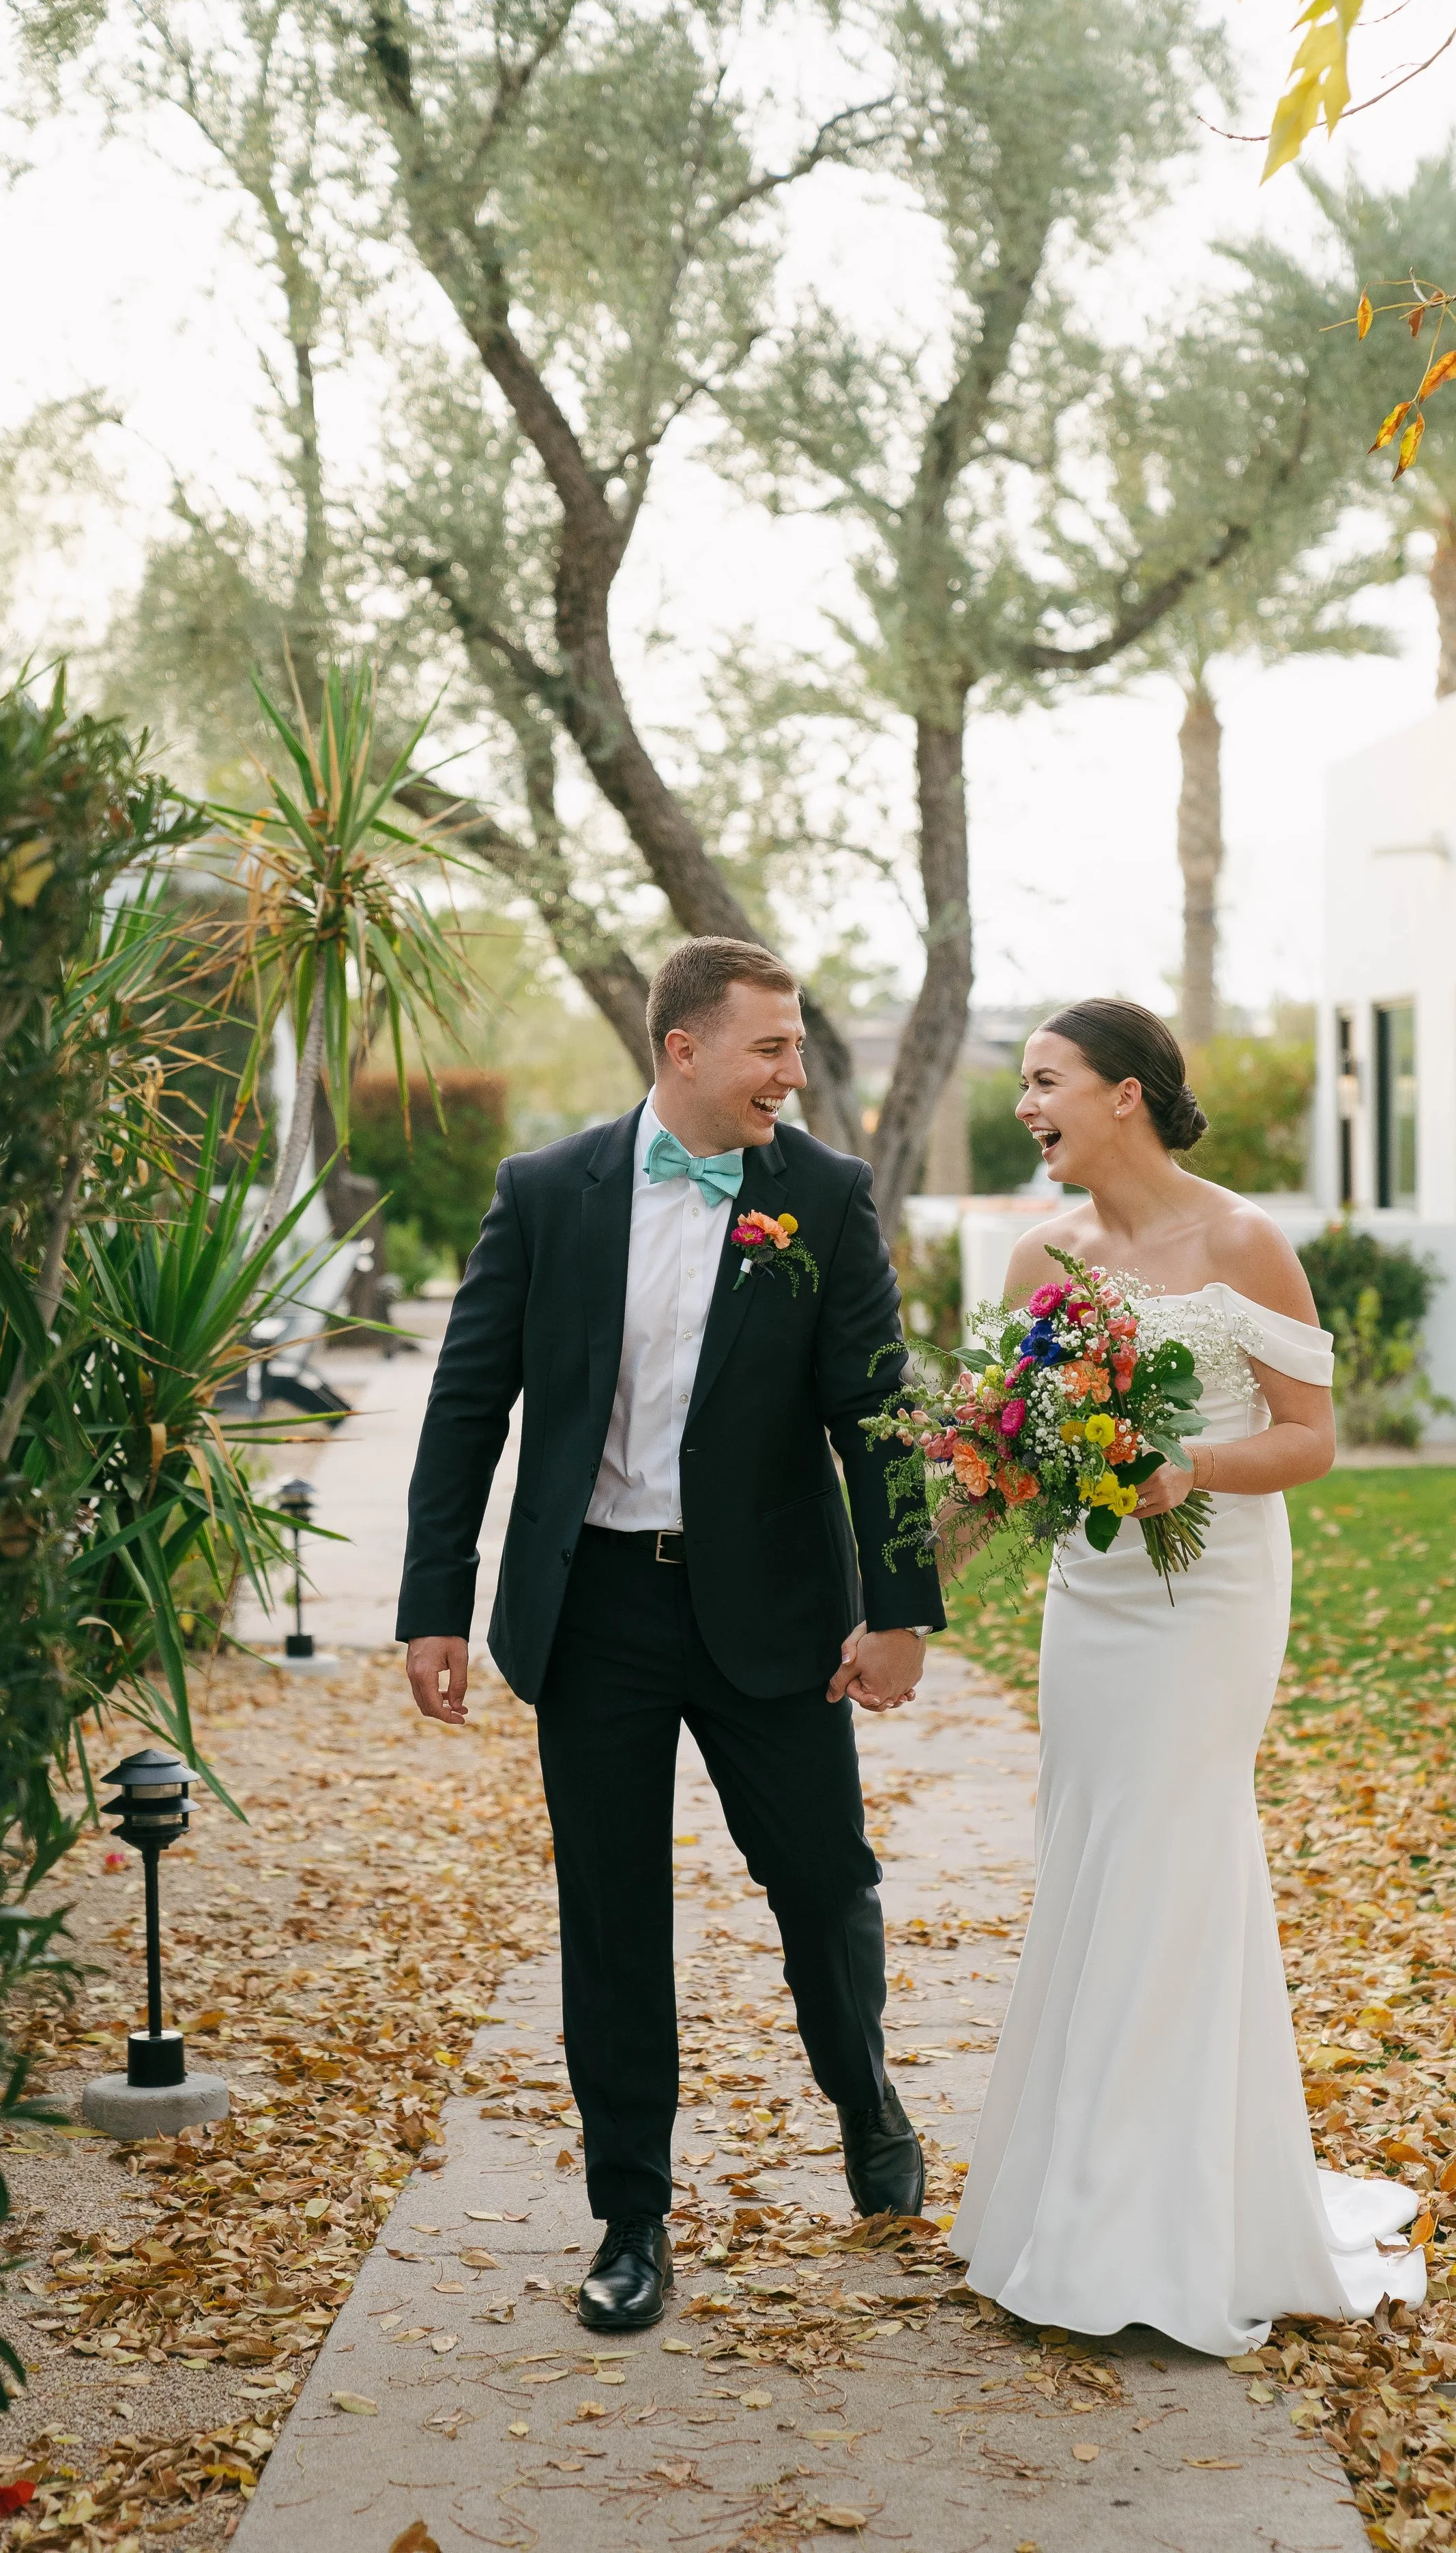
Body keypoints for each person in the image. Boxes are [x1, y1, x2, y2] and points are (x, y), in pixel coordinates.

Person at [396, 938, 945, 2333]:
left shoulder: (819, 1196)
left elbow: (873, 1413)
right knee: (612, 1916)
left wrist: (897, 1608)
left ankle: (860, 2091)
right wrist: (432, 1607)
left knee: (822, 1880)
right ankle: (629, 2217)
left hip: (769, 1608)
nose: (793, 1071)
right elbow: (468, 1408)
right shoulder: (544, 1194)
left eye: (796, 1050)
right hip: (595, 1611)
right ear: (683, 1051)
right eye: (769, 1048)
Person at [948, 998, 1425, 2354]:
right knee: (1094, 1857)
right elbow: (1005, 1451)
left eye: (1044, 1082)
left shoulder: (1240, 1242)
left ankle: (1150, 2232)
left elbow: (1308, 1437)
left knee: (1172, 1858)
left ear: (1123, 1096)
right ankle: (1079, 2201)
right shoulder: (1033, 1255)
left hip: (1208, 1592)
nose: (1025, 1106)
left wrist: (1184, 1470)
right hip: (1089, 1598)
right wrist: (914, 1568)